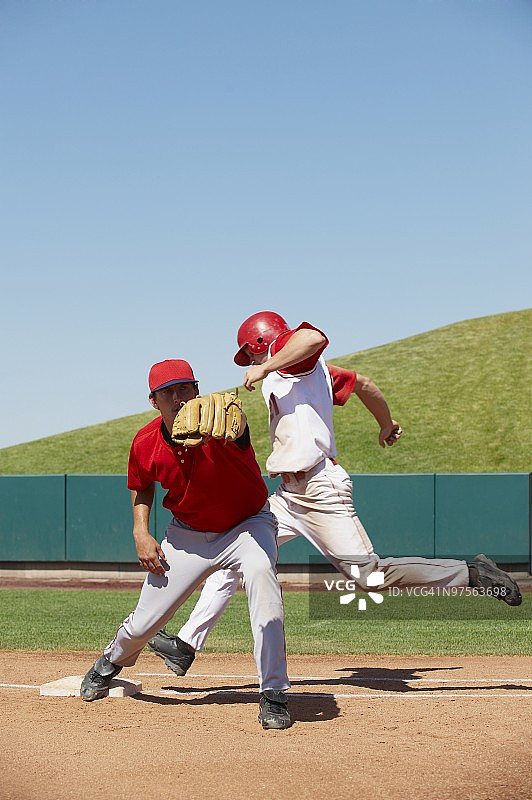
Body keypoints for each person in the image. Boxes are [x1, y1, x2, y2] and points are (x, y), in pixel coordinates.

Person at [147, 313, 522, 676]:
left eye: (251, 354)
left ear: (262, 342)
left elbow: (313, 338)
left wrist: (267, 365)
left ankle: (470, 573)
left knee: (369, 576)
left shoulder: (292, 360)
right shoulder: (306, 371)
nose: (252, 362)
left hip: (319, 489)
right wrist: (386, 423)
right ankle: (185, 645)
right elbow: (364, 384)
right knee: (235, 557)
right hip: (288, 495)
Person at [80, 358, 292, 730]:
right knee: (145, 622)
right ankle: (110, 660)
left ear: (197, 390)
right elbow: (141, 485)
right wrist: (140, 532)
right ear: (153, 401)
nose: (178, 398)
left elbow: (239, 429)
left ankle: (273, 693)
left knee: (262, 578)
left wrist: (240, 424)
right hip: (187, 535)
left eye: (185, 389)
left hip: (248, 525)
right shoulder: (145, 442)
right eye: (168, 392)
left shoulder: (222, 424)